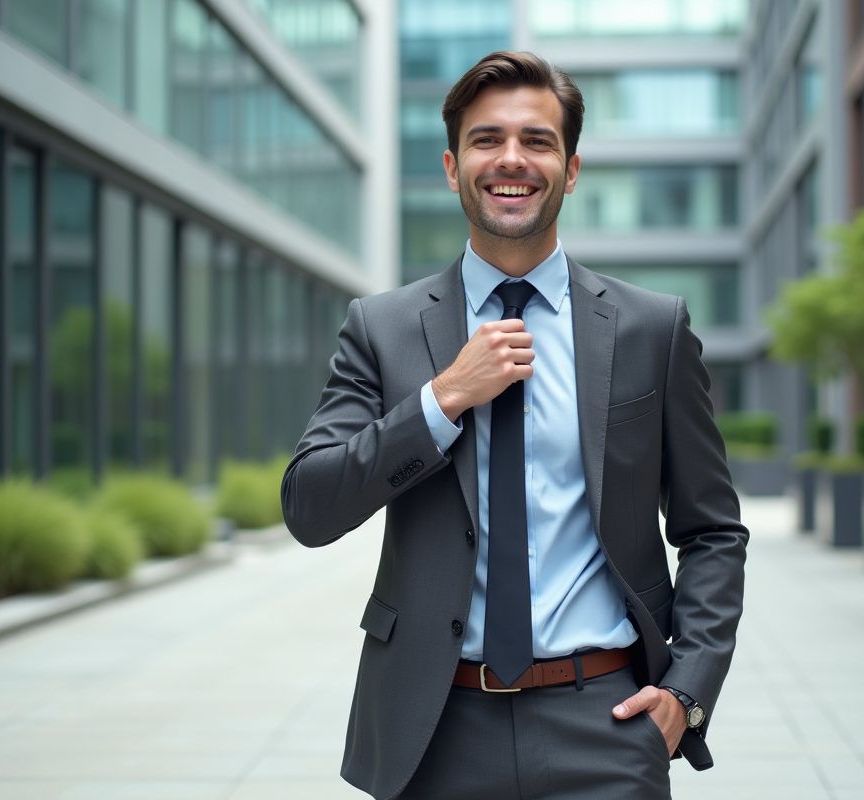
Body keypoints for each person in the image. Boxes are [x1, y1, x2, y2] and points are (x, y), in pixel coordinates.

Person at [282, 51, 747, 800]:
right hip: (431, 730)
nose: (511, 160)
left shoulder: (649, 329)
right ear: (450, 164)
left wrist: (686, 695)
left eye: (537, 140)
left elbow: (714, 531)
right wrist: (441, 401)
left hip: (606, 721)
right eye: (486, 138)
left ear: (570, 169)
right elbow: (309, 505)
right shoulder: (383, 329)